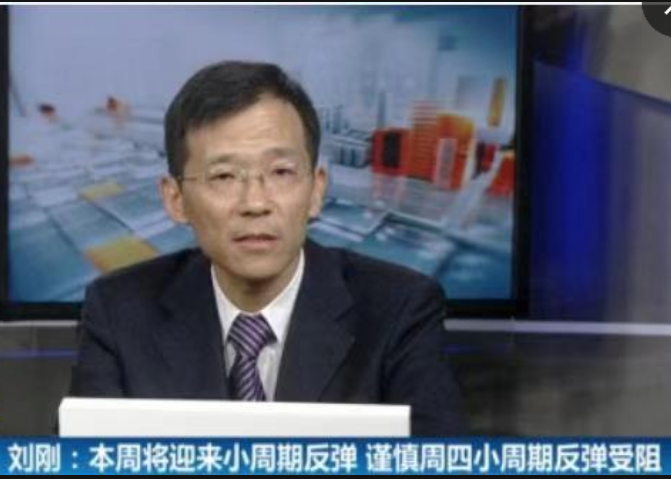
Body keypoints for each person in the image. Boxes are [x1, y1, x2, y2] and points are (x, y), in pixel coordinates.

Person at [69, 61, 466, 436]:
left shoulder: (399, 310)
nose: (255, 203)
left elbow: (436, 461)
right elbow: (81, 464)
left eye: (281, 172)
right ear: (176, 199)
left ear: (316, 190)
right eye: (224, 176)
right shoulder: (118, 311)